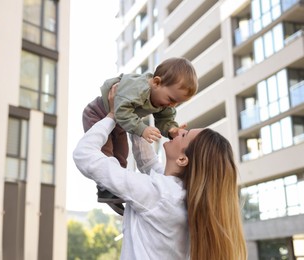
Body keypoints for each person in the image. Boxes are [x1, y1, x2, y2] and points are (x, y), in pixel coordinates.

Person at [73, 86, 247, 260]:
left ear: (182, 159)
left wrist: (111, 115)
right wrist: (134, 118)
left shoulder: (160, 195)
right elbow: (149, 163)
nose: (179, 131)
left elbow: (85, 154)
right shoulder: (180, 195)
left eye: (185, 136)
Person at [82, 57, 198, 214]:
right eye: (171, 99)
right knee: (106, 151)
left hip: (122, 123)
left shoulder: (164, 101)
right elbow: (120, 110)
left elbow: (166, 119)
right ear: (156, 82)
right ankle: (105, 188)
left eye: (177, 103)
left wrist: (171, 129)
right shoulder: (138, 88)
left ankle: (112, 190)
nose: (171, 105)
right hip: (99, 113)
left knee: (122, 154)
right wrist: (142, 129)